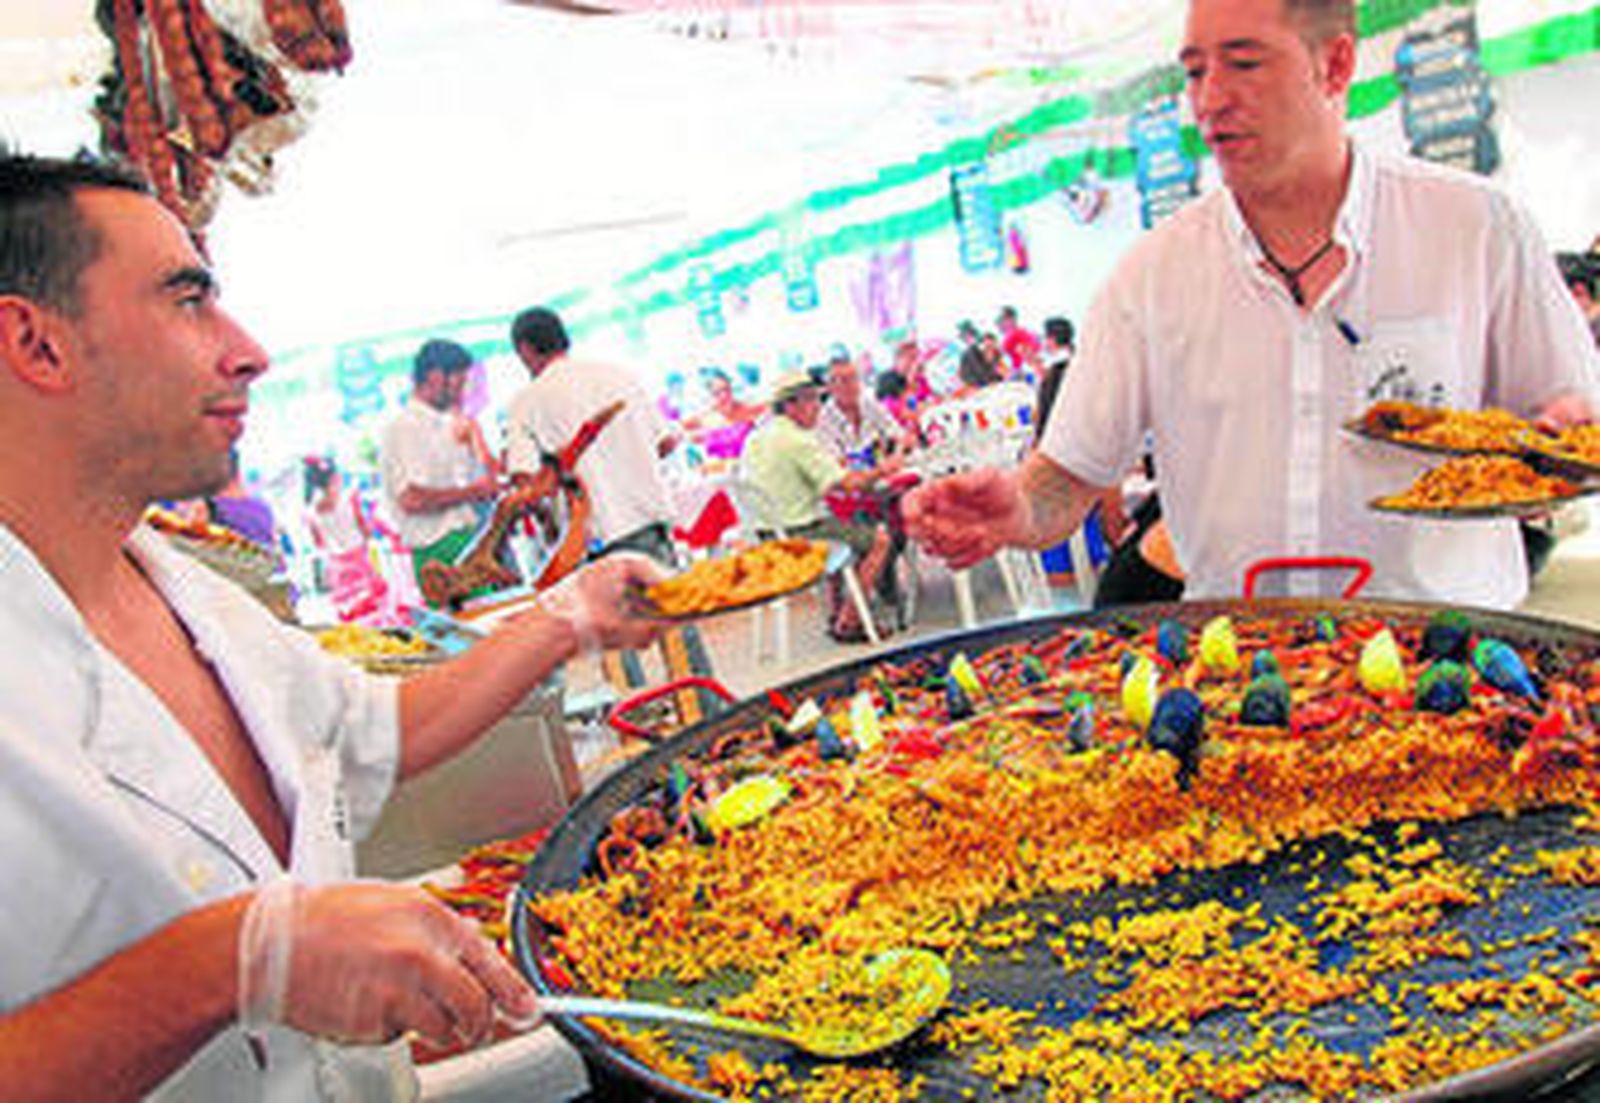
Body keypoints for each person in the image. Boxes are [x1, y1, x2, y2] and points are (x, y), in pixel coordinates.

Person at [0, 152, 665, 1100]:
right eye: (188, 299)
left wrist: (572, 614)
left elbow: (377, 728)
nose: (247, 350)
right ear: (37, 344)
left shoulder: (182, 584)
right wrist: (228, 962)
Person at [906, 0, 1599, 609]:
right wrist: (1016, 508)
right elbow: (1071, 475)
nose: (1210, 99)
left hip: (1447, 662)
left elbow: (1572, 426)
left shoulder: (1477, 228)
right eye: (1195, 70)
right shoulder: (1152, 274)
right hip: (1239, 679)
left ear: (1335, 65)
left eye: (1243, 64)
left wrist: (1559, 440)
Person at [504, 306, 679, 563]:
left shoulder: (525, 403)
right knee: (670, 599)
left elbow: (526, 483)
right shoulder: (619, 375)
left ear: (524, 349)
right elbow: (665, 443)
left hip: (592, 543)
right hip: (650, 526)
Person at [741, 372, 899, 641]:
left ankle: (838, 609)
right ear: (791, 406)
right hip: (799, 538)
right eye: (812, 400)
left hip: (767, 538)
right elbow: (847, 485)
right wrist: (883, 470)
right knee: (880, 539)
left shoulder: (757, 437)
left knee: (841, 527)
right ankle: (850, 621)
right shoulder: (797, 440)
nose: (818, 407)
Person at [377, 338, 500, 588]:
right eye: (459, 382)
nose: (462, 391)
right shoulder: (405, 427)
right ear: (434, 377)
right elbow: (412, 498)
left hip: (465, 539)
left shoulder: (446, 424)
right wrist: (472, 492)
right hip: (436, 549)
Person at [304, 456, 395, 625]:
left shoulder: (310, 513)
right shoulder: (350, 498)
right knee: (374, 611)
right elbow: (366, 531)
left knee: (349, 614)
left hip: (336, 568)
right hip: (360, 561)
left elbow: (319, 544)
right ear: (335, 478)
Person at [817, 351, 910, 465]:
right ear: (829, 387)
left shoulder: (869, 402)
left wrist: (898, 451)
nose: (850, 385)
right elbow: (837, 464)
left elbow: (897, 432)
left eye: (854, 378)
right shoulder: (823, 420)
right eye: (842, 381)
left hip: (885, 469)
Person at [996, 305, 1042, 377]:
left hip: (1023, 372)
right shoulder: (1009, 336)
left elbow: (1035, 347)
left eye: (1003, 319)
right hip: (1015, 372)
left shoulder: (1020, 333)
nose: (1001, 323)